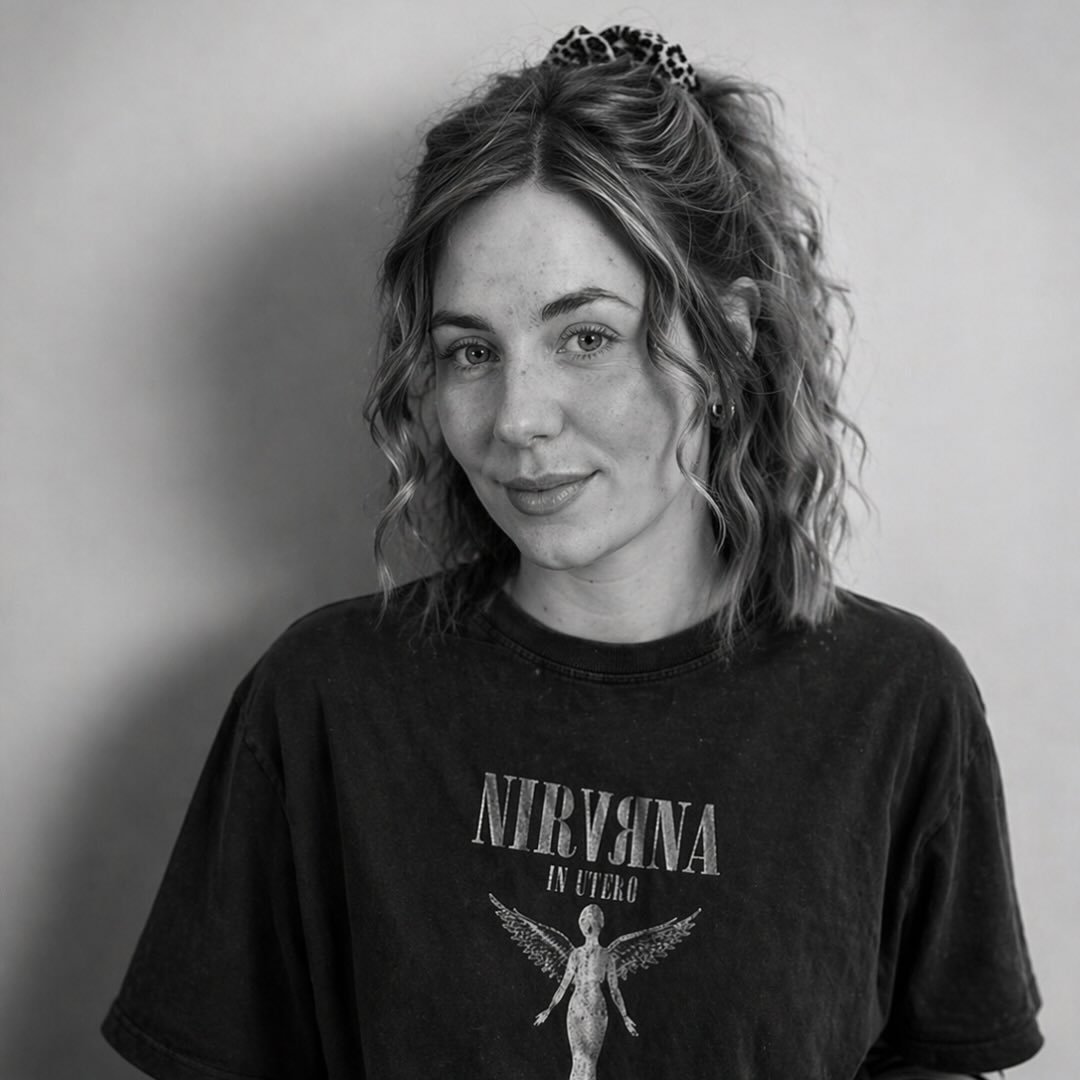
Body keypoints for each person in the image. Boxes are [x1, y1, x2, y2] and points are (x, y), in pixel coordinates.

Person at [102, 24, 1043, 1080]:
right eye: (471, 351)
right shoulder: (323, 702)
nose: (518, 418)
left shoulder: (896, 706)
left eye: (586, 337)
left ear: (727, 339)